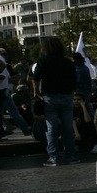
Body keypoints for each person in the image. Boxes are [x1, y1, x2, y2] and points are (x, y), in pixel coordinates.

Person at [33, 36, 79, 167]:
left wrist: (36, 92)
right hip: (66, 96)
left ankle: (53, 156)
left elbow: (35, 77)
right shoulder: (68, 63)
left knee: (52, 127)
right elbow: (74, 81)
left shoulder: (43, 61)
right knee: (68, 127)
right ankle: (70, 155)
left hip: (50, 97)